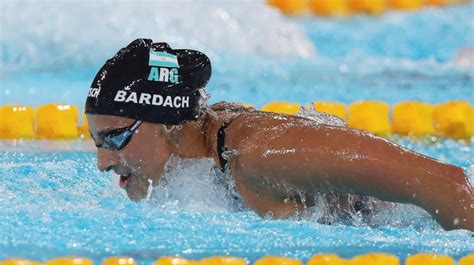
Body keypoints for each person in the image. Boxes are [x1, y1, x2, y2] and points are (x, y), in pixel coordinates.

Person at [85, 39, 474, 231]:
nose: (102, 162)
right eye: (96, 141)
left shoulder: (262, 154)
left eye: (114, 138)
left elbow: (448, 184)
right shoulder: (205, 159)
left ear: (168, 124)